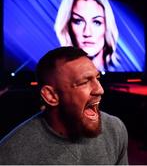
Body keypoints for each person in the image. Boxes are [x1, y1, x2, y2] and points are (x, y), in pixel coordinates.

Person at [0, 47, 128, 164]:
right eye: (84, 82)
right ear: (51, 96)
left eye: (97, 78)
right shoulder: (11, 155)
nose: (100, 90)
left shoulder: (114, 129)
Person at [54, 0, 120, 71]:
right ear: (67, 25)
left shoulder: (122, 70)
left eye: (96, 22)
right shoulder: (56, 72)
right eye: (78, 21)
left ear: (107, 26)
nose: (87, 33)